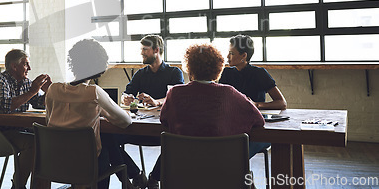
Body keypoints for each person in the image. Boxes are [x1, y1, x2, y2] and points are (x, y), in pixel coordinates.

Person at [45, 39, 133, 189]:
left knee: (106, 140)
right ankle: (131, 181)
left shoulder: (52, 89)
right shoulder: (94, 92)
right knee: (105, 148)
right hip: (87, 165)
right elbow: (126, 122)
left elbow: (49, 121)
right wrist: (102, 111)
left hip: (55, 161)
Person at [0, 49, 51, 189]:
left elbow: (38, 103)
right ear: (14, 66)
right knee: (33, 143)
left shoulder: (25, 82)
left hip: (16, 129)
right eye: (26, 64)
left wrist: (49, 90)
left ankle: (38, 185)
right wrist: (32, 91)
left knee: (45, 138)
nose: (29, 68)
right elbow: (4, 107)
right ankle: (18, 186)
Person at [120, 34, 184, 189]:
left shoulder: (175, 72)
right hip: (138, 127)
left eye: (145, 49)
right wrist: (125, 98)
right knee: (109, 139)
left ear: (156, 50)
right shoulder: (140, 74)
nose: (141, 53)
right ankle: (135, 174)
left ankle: (154, 177)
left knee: (178, 141)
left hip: (162, 128)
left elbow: (175, 97)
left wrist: (156, 101)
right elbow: (125, 93)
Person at [160, 43, 264, 137]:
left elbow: (164, 120)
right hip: (220, 156)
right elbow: (259, 121)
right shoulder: (229, 92)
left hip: (183, 155)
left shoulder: (174, 93)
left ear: (189, 69)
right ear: (218, 69)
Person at [219, 34, 287, 157]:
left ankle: (237, 173)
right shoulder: (226, 73)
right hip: (233, 127)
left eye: (232, 53)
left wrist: (256, 104)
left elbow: (282, 103)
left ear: (244, 55)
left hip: (256, 130)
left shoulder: (259, 73)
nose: (227, 57)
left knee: (238, 152)